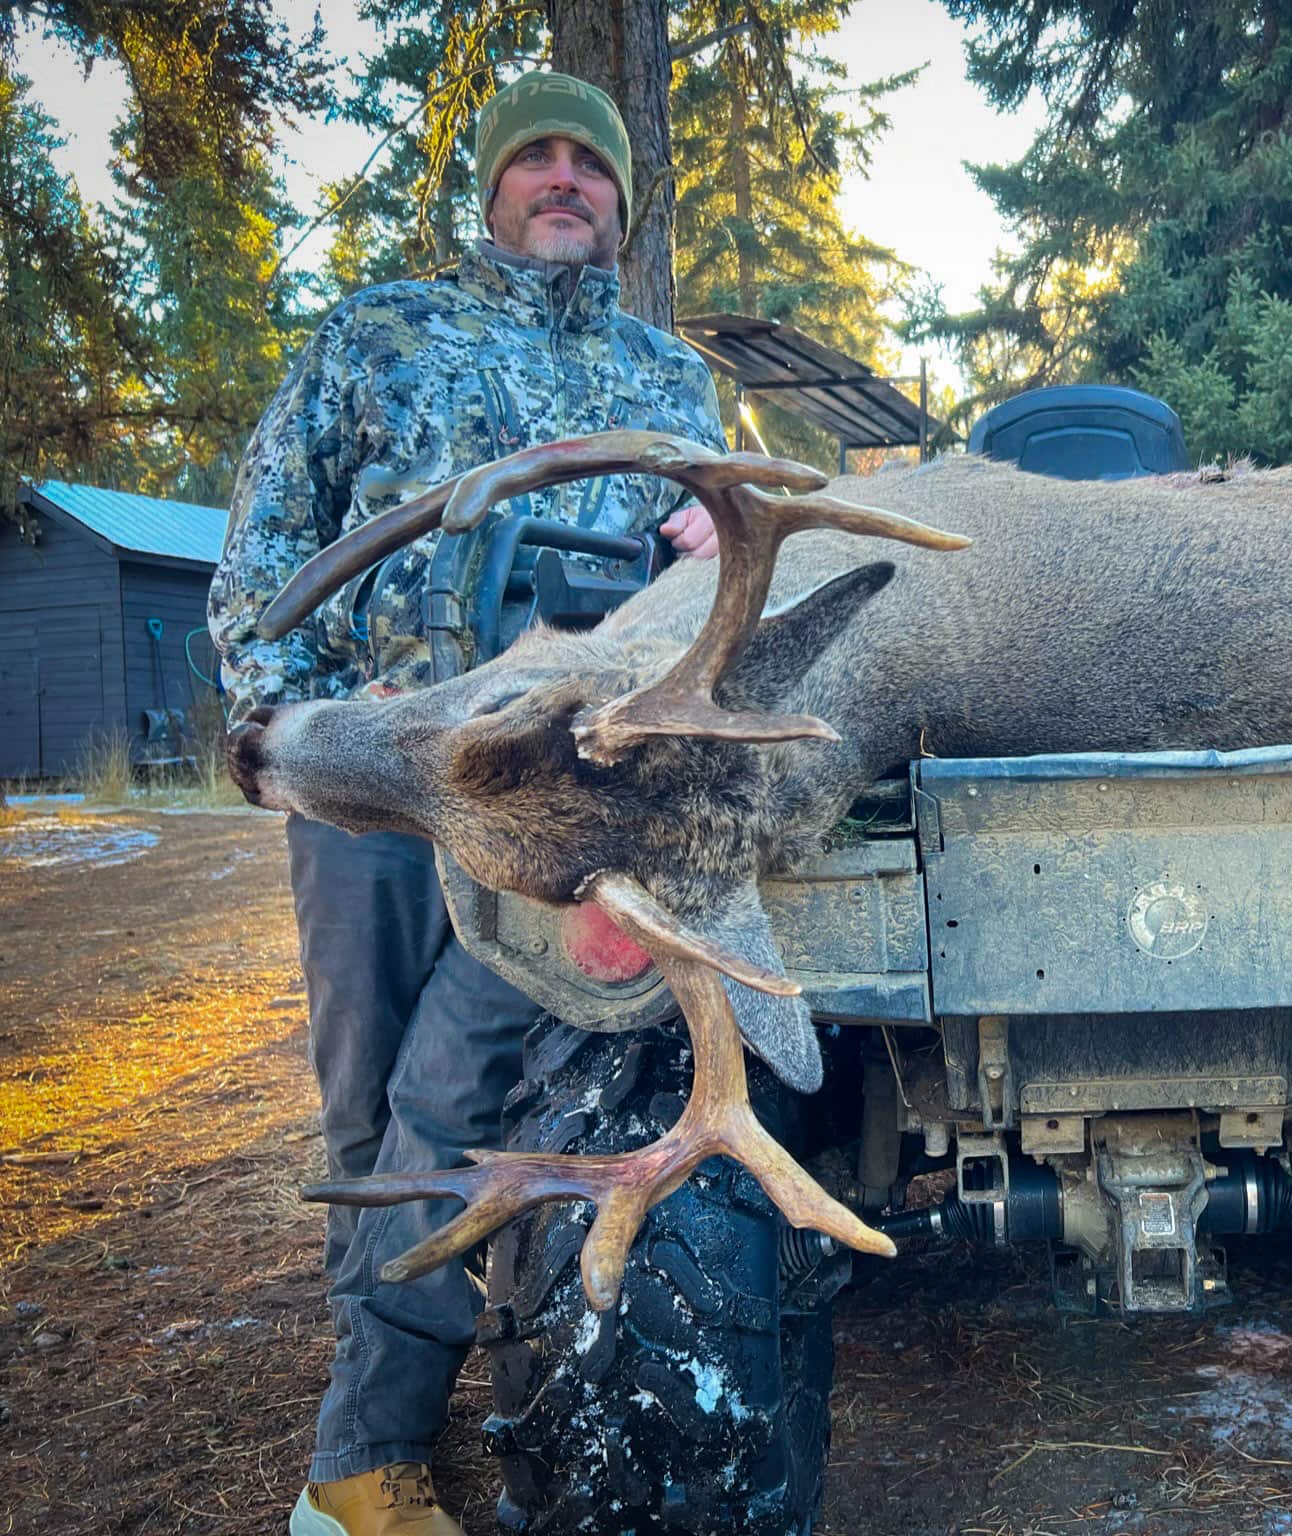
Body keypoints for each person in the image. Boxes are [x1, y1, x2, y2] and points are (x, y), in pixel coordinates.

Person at [208, 70, 722, 1536]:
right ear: (491, 191)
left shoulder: (669, 378)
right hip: (377, 784)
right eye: (535, 161)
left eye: (590, 165)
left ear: (623, 201)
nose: (564, 180)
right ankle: (377, 1427)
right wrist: (290, 733)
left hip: (557, 798)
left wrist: (709, 526)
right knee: (376, 1104)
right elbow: (268, 544)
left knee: (468, 1093)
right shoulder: (377, 334)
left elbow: (715, 593)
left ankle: (366, 1452)